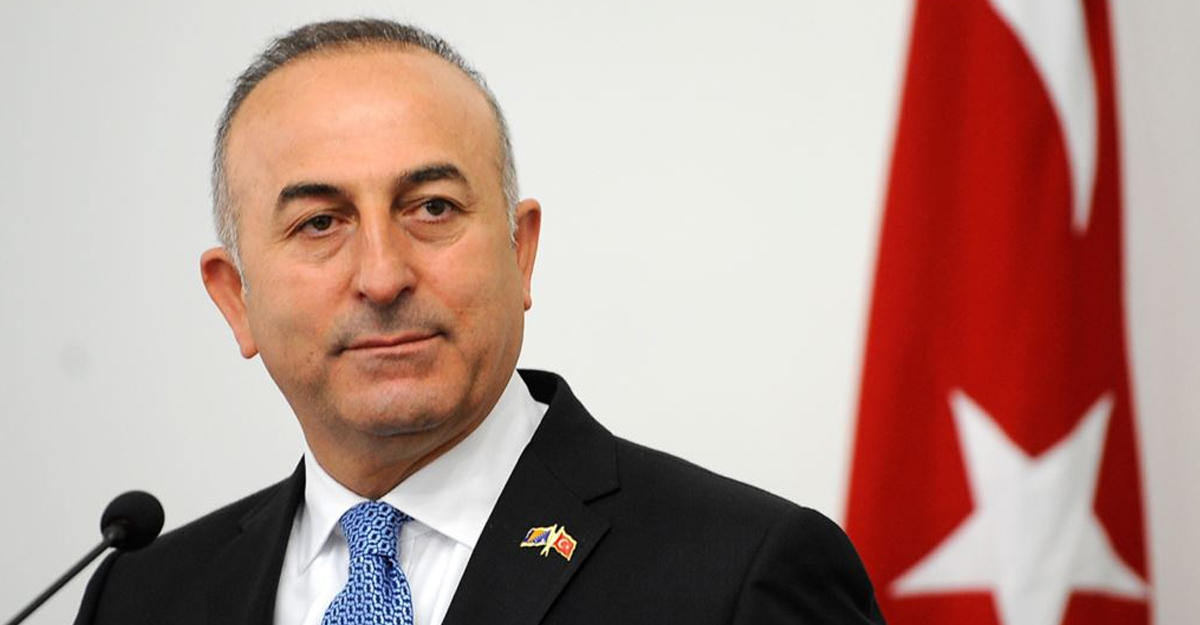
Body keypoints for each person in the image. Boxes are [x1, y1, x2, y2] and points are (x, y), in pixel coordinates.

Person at [74, 19, 884, 625]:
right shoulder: (140, 596)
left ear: (520, 252)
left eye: (431, 208)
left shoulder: (739, 575)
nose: (383, 275)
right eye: (320, 222)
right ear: (235, 299)